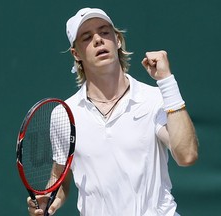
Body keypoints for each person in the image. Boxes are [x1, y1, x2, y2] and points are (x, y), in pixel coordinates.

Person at [27, 7, 198, 216]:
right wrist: (50, 199)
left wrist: (167, 82)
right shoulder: (64, 114)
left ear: (117, 40)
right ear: (76, 54)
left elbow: (187, 155)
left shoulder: (154, 99)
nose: (98, 40)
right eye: (87, 37)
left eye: (105, 32)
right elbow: (61, 176)